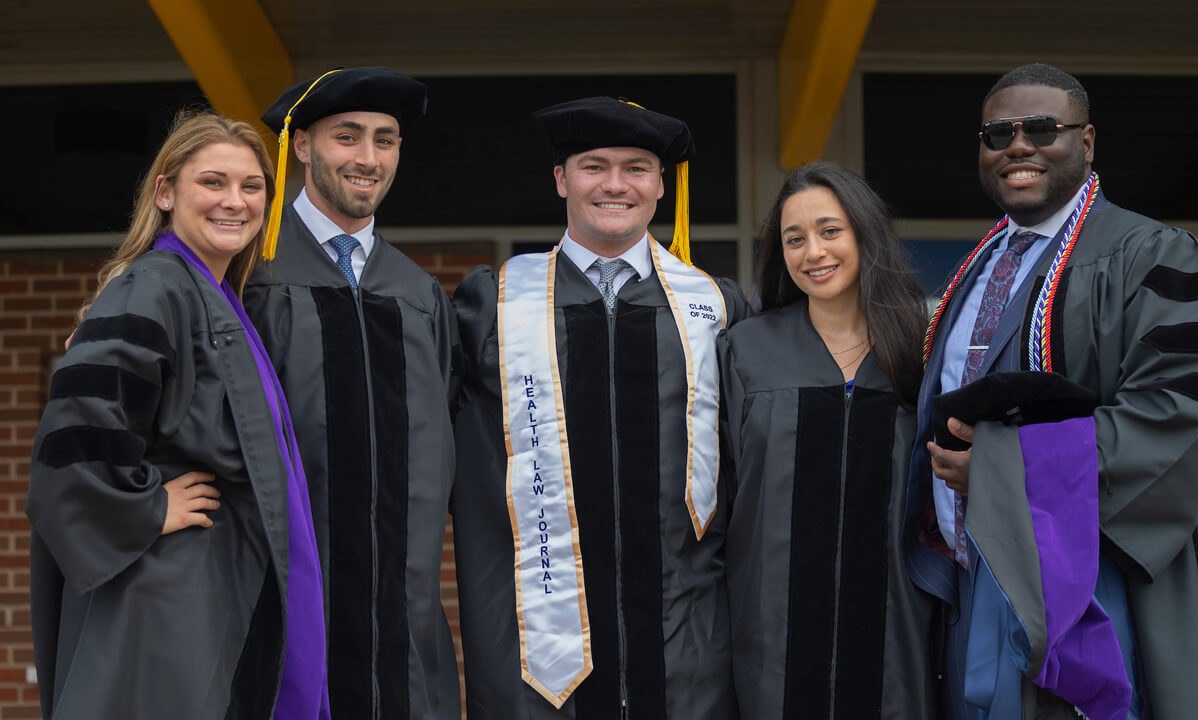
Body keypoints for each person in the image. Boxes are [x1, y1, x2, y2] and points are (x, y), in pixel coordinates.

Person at [907, 63, 1198, 719]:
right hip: (973, 595)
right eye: (998, 133)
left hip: (1097, 596)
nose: (1017, 146)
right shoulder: (976, 271)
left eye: (1042, 128)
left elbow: (1176, 420)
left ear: (1089, 141)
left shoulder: (1156, 256)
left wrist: (1001, 470)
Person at [451, 96, 749, 719]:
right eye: (594, 166)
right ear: (561, 179)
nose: (616, 184)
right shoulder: (496, 304)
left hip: (685, 633)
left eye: (637, 167)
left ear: (661, 185)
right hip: (535, 632)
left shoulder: (715, 309)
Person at [27, 111, 327, 719]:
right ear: (165, 192)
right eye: (212, 182)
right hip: (167, 591)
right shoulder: (155, 287)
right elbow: (75, 436)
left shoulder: (217, 297)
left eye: (252, 186)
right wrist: (148, 505)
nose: (235, 201)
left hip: (210, 585)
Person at [244, 67, 461, 719]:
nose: (368, 158)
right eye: (347, 136)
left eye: (385, 140)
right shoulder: (253, 274)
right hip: (276, 603)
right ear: (303, 146)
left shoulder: (419, 295)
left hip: (402, 616)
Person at [719, 160, 937, 719]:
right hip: (772, 638)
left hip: (899, 631)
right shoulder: (746, 351)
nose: (812, 252)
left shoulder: (923, 346)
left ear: (865, 233)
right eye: (795, 239)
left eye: (830, 231)